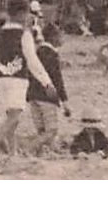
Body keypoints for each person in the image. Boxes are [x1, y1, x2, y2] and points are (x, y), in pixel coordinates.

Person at [0, 0, 57, 162]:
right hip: (18, 79)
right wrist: (46, 82)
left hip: (2, 78)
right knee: (14, 116)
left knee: (10, 117)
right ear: (21, 13)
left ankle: (13, 152)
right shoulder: (24, 34)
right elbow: (32, 61)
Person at [27, 23, 70, 155]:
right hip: (46, 96)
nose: (63, 39)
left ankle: (44, 151)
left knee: (42, 130)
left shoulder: (37, 52)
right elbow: (57, 79)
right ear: (54, 37)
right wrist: (65, 102)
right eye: (61, 36)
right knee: (52, 130)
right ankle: (30, 148)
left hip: (32, 95)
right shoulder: (52, 54)